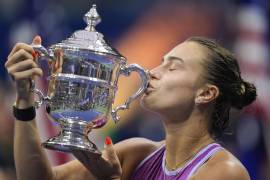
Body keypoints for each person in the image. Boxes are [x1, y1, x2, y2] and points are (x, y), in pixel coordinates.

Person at [5, 35, 256, 180]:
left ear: (206, 93)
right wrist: (25, 100)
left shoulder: (225, 172)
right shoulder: (137, 153)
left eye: (173, 67)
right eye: (159, 63)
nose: (152, 73)